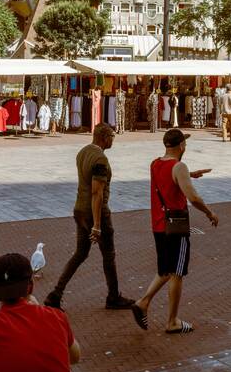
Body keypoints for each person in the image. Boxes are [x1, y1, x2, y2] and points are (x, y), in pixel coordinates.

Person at [132, 128, 219, 334]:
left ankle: (143, 303)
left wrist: (189, 175)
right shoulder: (179, 166)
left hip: (158, 224)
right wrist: (209, 212)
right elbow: (193, 197)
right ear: (181, 146)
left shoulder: (155, 164)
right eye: (185, 143)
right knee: (177, 272)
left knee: (165, 269)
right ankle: (172, 321)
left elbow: (168, 178)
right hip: (176, 225)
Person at [44, 122, 136, 312]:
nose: (113, 140)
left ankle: (56, 293)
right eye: (112, 136)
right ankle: (113, 297)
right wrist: (97, 225)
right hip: (97, 213)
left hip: (79, 209)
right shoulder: (100, 160)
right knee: (108, 255)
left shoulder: (82, 152)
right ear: (104, 137)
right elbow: (97, 193)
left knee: (80, 253)